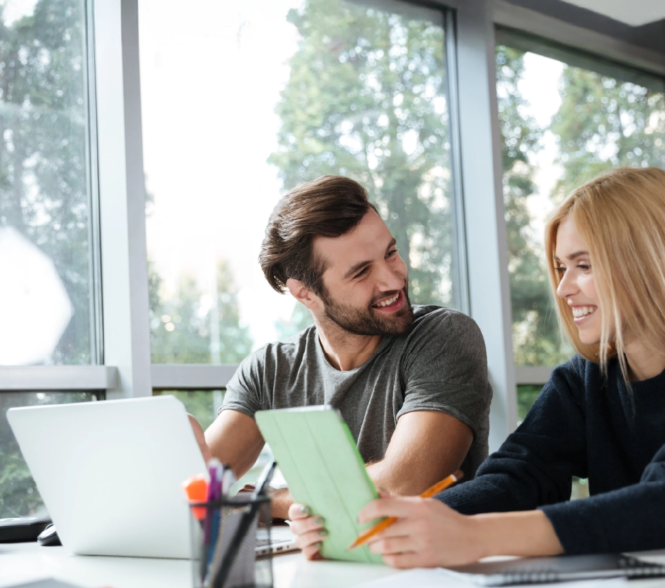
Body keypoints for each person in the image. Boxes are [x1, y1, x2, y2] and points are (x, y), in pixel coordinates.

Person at [312, 166, 665, 567]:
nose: (564, 290)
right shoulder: (584, 380)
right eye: (562, 269)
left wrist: (478, 537)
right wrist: (395, 522)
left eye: (584, 266)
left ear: (651, 264)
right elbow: (517, 475)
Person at [191, 175, 492, 522]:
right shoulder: (270, 370)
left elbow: (405, 483)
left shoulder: (443, 337)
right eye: (362, 272)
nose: (394, 280)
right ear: (306, 293)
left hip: (432, 568)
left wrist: (273, 503)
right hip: (318, 568)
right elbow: (199, 488)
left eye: (391, 253)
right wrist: (179, 454)